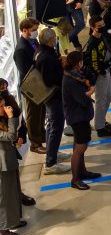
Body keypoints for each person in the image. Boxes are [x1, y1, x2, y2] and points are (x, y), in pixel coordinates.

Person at [61, 51, 101, 190]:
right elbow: (82, 99)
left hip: (79, 116)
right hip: (77, 117)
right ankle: (75, 179)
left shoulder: (73, 75)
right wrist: (92, 90)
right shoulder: (71, 80)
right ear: (78, 63)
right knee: (80, 147)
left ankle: (82, 172)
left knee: (80, 145)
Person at [35, 28, 69, 175]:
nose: (56, 39)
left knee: (51, 125)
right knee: (56, 126)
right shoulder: (46, 57)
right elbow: (49, 80)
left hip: (50, 96)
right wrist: (62, 69)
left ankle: (52, 152)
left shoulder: (42, 51)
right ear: (50, 40)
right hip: (52, 96)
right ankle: (51, 162)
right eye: (54, 38)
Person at [82, 19, 111, 138]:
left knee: (108, 98)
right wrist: (100, 71)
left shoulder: (101, 37)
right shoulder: (93, 42)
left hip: (106, 71)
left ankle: (102, 121)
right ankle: (100, 127)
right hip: (100, 75)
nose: (103, 27)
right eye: (99, 26)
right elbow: (93, 62)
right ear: (93, 27)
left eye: (103, 24)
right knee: (101, 101)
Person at [13, 18, 45, 153]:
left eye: (36, 29)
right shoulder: (21, 49)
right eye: (33, 30)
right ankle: (35, 144)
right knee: (33, 116)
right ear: (24, 30)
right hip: (31, 87)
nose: (36, 32)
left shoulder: (33, 41)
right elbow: (27, 71)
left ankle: (41, 137)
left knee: (41, 114)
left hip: (40, 85)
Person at [0, 105, 26, 235]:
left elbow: (12, 136)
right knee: (4, 198)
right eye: (0, 106)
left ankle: (13, 221)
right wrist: (11, 117)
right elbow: (10, 135)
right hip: (2, 165)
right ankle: (3, 230)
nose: (5, 108)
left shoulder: (2, 119)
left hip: (9, 162)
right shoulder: (6, 119)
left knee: (13, 194)